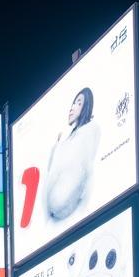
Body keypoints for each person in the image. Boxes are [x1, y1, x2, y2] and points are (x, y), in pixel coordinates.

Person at [41, 86, 101, 222]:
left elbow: (85, 169)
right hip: (57, 211)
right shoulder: (69, 138)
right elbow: (52, 169)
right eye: (73, 103)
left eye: (79, 103)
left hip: (68, 211)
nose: (72, 107)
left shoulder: (89, 131)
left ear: (86, 106)